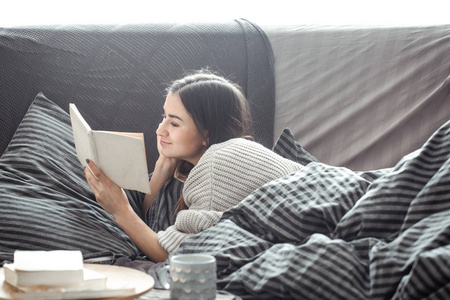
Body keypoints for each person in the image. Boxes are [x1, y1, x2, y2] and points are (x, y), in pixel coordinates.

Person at [84, 70, 304, 262]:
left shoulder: (219, 164)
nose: (160, 130)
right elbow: (153, 222)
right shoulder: (188, 169)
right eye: (164, 117)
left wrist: (120, 211)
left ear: (206, 135)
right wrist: (163, 168)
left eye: (174, 122)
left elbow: (180, 257)